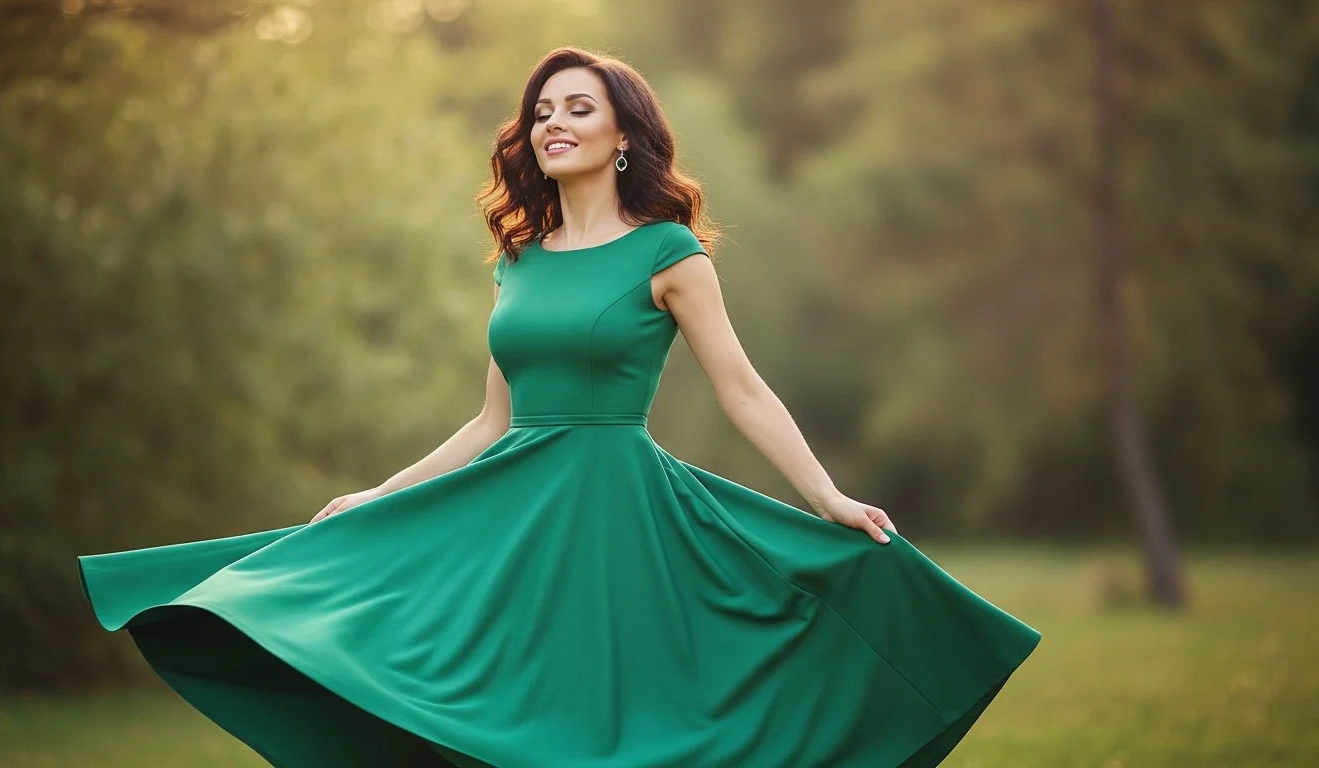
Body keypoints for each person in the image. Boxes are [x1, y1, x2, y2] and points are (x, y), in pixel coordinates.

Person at [79, 47, 1040, 768]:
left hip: (617, 514)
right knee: (456, 683)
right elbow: (492, 422)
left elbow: (742, 389)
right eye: (543, 112)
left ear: (625, 136)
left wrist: (826, 497)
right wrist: (375, 495)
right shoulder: (518, 265)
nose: (556, 123)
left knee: (613, 724)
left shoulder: (670, 255)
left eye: (580, 109)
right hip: (512, 511)